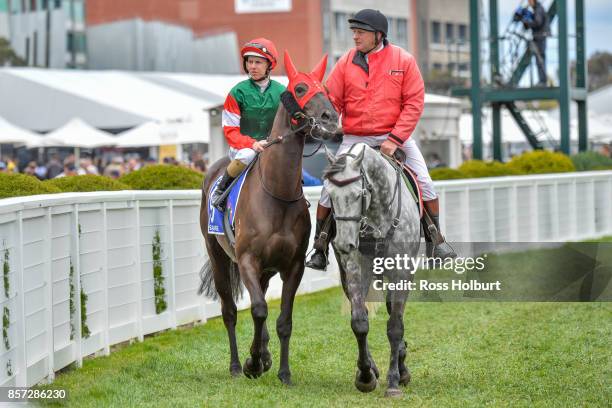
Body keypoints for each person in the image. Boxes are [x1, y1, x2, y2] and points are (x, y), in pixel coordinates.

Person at [305, 9, 456, 270]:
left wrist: (395, 139)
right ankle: (320, 248)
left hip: (394, 137)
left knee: (427, 183)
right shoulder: (345, 63)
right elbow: (334, 102)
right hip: (354, 138)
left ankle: (435, 241)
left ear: (378, 35)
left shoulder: (404, 60)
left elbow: (413, 103)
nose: (355, 37)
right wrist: (325, 123)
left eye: (360, 32)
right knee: (330, 189)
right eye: (353, 31)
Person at [211, 38, 285, 211]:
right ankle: (221, 190)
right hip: (243, 148)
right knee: (247, 155)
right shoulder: (237, 92)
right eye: (249, 62)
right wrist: (252, 144)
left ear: (269, 65)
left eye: (258, 62)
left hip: (273, 146)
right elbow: (230, 131)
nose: (252, 66)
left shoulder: (282, 91)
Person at [515, 0, 550, 86]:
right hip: (538, 37)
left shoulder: (538, 9)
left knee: (540, 59)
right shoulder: (536, 9)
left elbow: (537, 22)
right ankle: (542, 81)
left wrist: (526, 21)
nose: (529, 2)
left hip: (540, 37)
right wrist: (525, 20)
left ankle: (543, 81)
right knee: (539, 59)